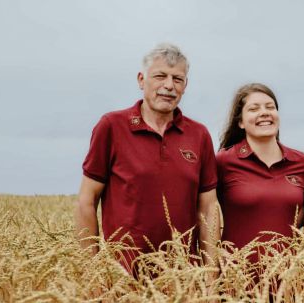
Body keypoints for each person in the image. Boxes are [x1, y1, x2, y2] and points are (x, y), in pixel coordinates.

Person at [74, 43, 220, 272]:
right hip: (123, 276)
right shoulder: (112, 127)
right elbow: (86, 201)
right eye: (160, 76)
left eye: (177, 79)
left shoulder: (199, 135)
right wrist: (93, 272)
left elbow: (208, 208)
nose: (169, 86)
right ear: (141, 80)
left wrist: (210, 275)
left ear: (185, 86)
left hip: (185, 277)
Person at [216, 83, 304, 252]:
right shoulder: (223, 162)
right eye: (254, 109)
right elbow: (206, 209)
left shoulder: (303, 164)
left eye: (270, 107)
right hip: (236, 267)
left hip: (289, 268)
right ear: (240, 122)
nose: (264, 112)